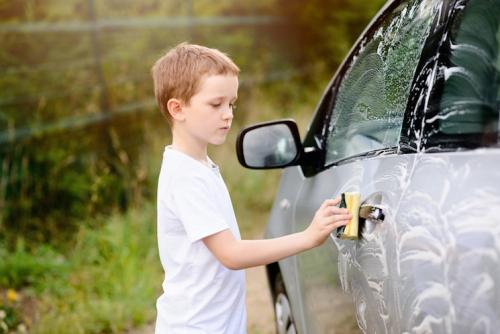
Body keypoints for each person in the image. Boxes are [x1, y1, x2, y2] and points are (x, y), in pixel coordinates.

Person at [150, 42, 352, 333]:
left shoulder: (199, 167)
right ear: (177, 108)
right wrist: (307, 237)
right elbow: (231, 254)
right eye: (216, 104)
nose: (228, 113)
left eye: (231, 103)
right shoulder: (185, 177)